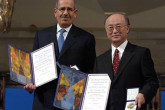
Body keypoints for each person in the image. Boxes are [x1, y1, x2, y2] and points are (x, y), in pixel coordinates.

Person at [24, 0, 96, 110]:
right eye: (62, 9)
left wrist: (77, 76)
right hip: (43, 101)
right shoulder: (41, 35)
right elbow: (33, 66)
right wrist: (29, 82)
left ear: (75, 13)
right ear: (55, 12)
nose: (65, 13)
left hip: (70, 101)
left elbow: (91, 70)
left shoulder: (86, 38)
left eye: (69, 9)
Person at [93, 13, 159, 110]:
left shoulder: (141, 53)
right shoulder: (99, 60)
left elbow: (152, 81)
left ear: (127, 28)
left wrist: (143, 94)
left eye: (118, 27)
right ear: (106, 31)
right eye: (110, 27)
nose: (115, 31)